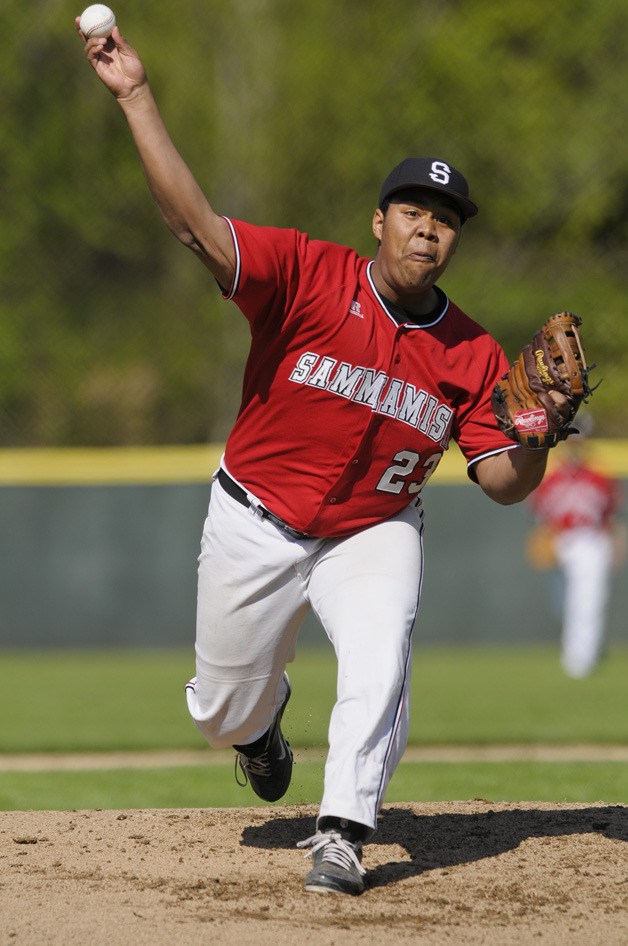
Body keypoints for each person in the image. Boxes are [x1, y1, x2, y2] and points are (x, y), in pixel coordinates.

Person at [78, 21, 558, 896]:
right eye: (414, 211)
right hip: (253, 516)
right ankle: (262, 731)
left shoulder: (474, 353)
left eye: (446, 221)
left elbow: (501, 485)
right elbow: (194, 228)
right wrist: (135, 97)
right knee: (220, 713)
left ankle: (343, 831)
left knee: (381, 655)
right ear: (379, 221)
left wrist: (537, 436)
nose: (429, 231)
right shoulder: (305, 273)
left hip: (372, 530)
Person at [527, 418, 623, 678]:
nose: (576, 445)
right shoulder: (552, 476)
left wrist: (614, 543)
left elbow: (610, 516)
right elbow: (539, 514)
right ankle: (580, 653)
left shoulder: (599, 475)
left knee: (589, 602)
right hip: (561, 542)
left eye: (581, 439)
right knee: (564, 606)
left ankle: (580, 661)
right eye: (573, 439)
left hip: (591, 541)